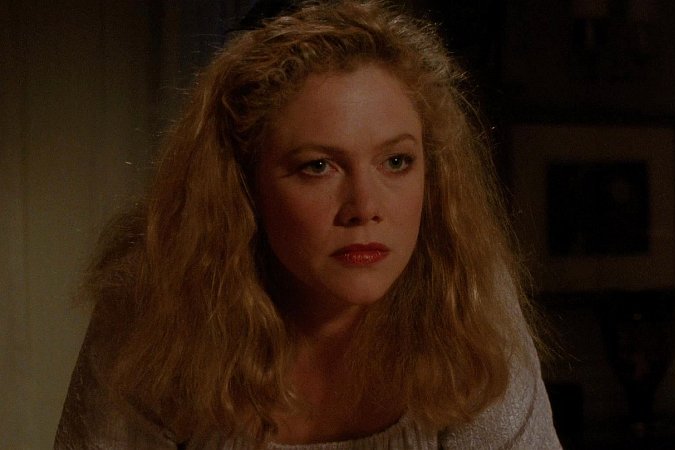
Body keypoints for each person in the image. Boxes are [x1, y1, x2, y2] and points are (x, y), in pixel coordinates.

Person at [54, 1, 562, 448]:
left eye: (396, 162)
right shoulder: (154, 307)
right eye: (318, 166)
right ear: (243, 185)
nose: (364, 207)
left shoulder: (465, 299)